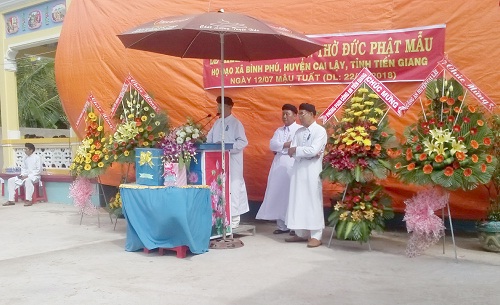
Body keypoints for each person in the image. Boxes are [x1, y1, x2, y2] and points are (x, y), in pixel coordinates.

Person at [285, 103, 327, 248]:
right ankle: (300, 233)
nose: (300, 117)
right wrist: (301, 151)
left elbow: (314, 150)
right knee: (298, 199)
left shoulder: (320, 131)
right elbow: (291, 151)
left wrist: (298, 150)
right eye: (299, 114)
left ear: (311, 114)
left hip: (312, 171)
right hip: (298, 169)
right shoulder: (298, 132)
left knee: (312, 200)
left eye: (302, 113)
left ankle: (316, 235)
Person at [256, 104, 301, 234]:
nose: (285, 116)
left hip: (292, 163)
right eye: (283, 114)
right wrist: (286, 144)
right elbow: (272, 145)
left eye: (288, 114)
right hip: (278, 164)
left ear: (295, 116)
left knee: (291, 194)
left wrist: (281, 146)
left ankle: (294, 226)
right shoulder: (279, 130)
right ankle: (282, 226)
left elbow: (296, 145)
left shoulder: (299, 130)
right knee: (278, 194)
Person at [207, 96, 249, 228]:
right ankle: (220, 217)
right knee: (219, 188)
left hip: (232, 161)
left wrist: (226, 146)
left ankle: (235, 219)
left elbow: (243, 142)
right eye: (218, 105)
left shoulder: (236, 123)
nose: (219, 108)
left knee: (234, 188)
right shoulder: (217, 123)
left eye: (222, 106)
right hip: (218, 161)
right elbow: (209, 140)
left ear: (230, 108)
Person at [3, 143, 43, 207]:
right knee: (11, 180)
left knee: (28, 180)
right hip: (25, 176)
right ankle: (11, 200)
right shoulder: (25, 158)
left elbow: (39, 170)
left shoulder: (37, 158)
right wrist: (22, 175)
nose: (24, 150)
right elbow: (23, 168)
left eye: (26, 149)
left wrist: (28, 176)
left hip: (35, 176)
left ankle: (28, 200)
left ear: (31, 150)